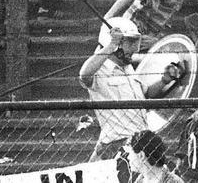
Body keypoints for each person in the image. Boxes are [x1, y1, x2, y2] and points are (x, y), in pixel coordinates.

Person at [78, 17, 183, 160]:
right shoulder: (100, 69)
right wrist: (110, 45)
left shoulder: (128, 68)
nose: (134, 49)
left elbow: (145, 94)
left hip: (140, 142)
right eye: (130, 42)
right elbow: (84, 75)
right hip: (115, 144)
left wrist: (164, 80)